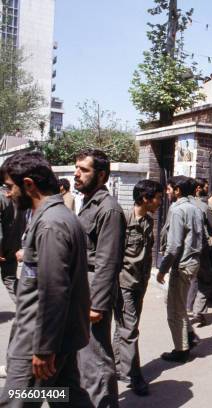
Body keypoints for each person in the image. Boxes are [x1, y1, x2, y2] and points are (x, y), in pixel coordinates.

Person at [0, 151, 92, 407]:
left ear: (28, 184)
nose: (8, 194)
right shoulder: (59, 217)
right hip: (58, 339)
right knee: (66, 397)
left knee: (17, 401)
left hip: (38, 345)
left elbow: (54, 291)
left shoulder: (51, 224)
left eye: (10, 187)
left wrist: (43, 349)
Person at [75, 149, 127, 408]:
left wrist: (97, 303)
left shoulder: (109, 210)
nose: (77, 174)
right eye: (77, 168)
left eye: (84, 170)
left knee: (96, 358)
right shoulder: (88, 203)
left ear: (102, 175)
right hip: (83, 287)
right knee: (83, 358)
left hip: (94, 291)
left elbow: (108, 261)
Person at [112, 179, 163, 396]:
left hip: (139, 283)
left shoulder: (148, 221)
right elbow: (112, 254)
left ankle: (117, 366)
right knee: (130, 330)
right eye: (158, 198)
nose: (161, 202)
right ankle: (135, 376)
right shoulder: (122, 219)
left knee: (124, 328)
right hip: (123, 283)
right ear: (145, 198)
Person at [156, 176, 202, 363]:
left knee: (174, 308)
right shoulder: (195, 208)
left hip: (182, 264)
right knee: (179, 302)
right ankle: (189, 336)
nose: (166, 193)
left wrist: (162, 269)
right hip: (192, 262)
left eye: (169, 189)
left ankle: (181, 348)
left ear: (177, 191)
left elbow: (174, 245)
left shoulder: (177, 210)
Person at [187, 177, 212, 327]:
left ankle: (186, 309)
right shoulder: (202, 205)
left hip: (185, 250)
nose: (207, 189)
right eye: (205, 186)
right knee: (205, 280)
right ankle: (198, 313)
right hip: (200, 248)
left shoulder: (182, 203)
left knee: (190, 279)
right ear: (198, 188)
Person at [0, 185, 25, 303]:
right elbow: (23, 224)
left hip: (3, 248)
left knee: (10, 279)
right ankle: (29, 307)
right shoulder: (17, 197)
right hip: (13, 245)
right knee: (10, 279)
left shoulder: (2, 197)